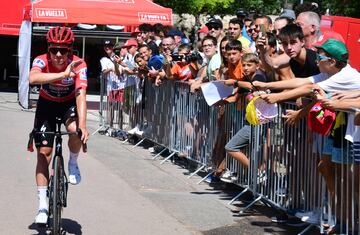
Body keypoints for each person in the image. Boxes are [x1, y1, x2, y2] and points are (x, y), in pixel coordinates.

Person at [29, 26, 89, 224]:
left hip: (68, 105)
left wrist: (83, 125)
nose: (58, 54)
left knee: (74, 131)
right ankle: (43, 206)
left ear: (70, 50)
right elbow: (33, 78)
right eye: (54, 49)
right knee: (44, 153)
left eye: (63, 50)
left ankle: (72, 162)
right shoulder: (41, 60)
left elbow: (81, 95)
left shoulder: (79, 64)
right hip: (46, 106)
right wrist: (63, 75)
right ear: (48, 49)